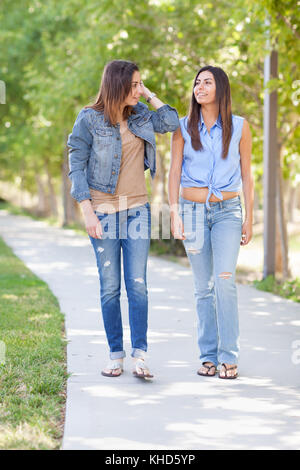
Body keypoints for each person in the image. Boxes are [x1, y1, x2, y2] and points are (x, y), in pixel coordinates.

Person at [67, 60, 179, 379]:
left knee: (138, 286)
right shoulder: (89, 120)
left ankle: (140, 356)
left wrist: (150, 94)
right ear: (116, 85)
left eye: (141, 84)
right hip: (102, 214)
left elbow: (171, 122)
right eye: (133, 85)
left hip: (137, 213)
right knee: (110, 288)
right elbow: (76, 164)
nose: (138, 90)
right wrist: (86, 210)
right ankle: (115, 355)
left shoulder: (141, 113)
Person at [168, 65, 253, 379]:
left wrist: (250, 219)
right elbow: (173, 172)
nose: (199, 87)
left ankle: (229, 355)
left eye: (207, 82)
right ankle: (208, 357)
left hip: (228, 212)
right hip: (191, 211)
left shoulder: (241, 127)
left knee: (225, 281)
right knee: (203, 287)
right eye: (196, 82)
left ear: (221, 88)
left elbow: (247, 176)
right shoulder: (182, 127)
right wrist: (174, 213)